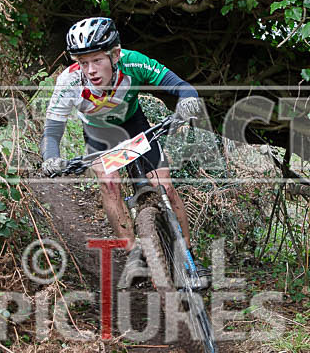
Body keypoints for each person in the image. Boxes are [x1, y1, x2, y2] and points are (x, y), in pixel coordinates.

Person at [40, 17, 208, 285]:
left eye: (97, 60)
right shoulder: (69, 81)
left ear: (115, 54)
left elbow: (181, 86)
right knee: (109, 184)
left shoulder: (133, 62)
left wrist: (187, 100)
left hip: (134, 125)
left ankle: (189, 256)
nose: (90, 70)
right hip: (99, 133)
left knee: (165, 186)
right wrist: (51, 158)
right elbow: (52, 130)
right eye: (83, 62)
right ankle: (134, 254)